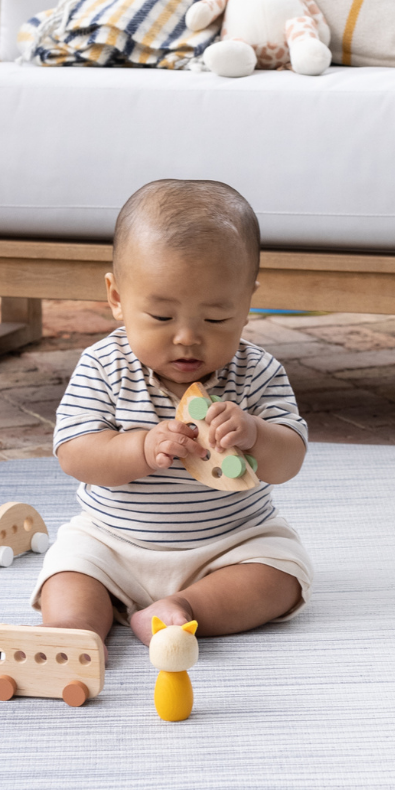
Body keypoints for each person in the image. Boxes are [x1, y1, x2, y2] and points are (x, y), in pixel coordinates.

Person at [36, 178, 311, 650]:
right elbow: (75, 455)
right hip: (113, 544)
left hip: (229, 545)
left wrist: (255, 435)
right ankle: (74, 634)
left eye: (216, 318)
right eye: (162, 317)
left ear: (246, 303)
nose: (187, 337)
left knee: (278, 576)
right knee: (69, 572)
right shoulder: (104, 366)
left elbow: (289, 461)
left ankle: (183, 611)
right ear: (117, 297)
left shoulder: (258, 371)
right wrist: (140, 447)